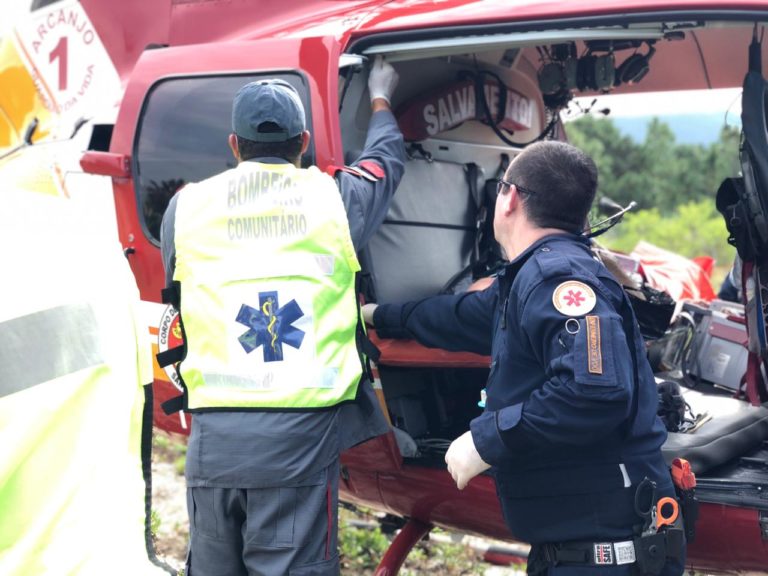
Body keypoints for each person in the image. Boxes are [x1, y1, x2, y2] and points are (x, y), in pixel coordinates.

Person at [364, 141, 685, 575]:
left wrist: (487, 440)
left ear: (509, 197)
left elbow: (593, 392)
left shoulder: (558, 279)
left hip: (605, 553)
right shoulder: (529, 278)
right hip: (578, 545)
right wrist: (380, 316)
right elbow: (462, 316)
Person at [159, 56, 404, 575]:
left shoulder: (185, 209)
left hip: (213, 438)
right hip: (300, 438)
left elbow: (179, 288)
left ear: (233, 144)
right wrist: (380, 97)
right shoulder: (337, 198)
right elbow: (387, 162)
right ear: (302, 143)